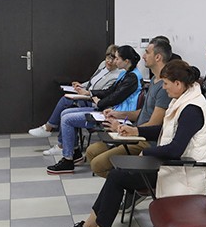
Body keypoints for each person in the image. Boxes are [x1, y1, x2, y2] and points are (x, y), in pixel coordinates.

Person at [59, 60, 206, 227]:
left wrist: (147, 152)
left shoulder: (192, 108)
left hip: (184, 173)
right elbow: (166, 130)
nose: (164, 88)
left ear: (178, 84)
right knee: (117, 175)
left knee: (117, 177)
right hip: (171, 167)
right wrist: (136, 130)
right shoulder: (184, 99)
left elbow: (175, 149)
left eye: (166, 83)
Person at [45, 45, 142, 174]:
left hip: (118, 116)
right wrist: (90, 94)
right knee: (64, 113)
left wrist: (99, 103)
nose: (115, 61)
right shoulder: (125, 74)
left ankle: (68, 160)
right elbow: (110, 91)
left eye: (117, 58)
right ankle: (75, 153)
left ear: (126, 61)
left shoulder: (132, 78)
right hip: (109, 110)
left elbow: (115, 98)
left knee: (68, 119)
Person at [85, 37, 173, 178]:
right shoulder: (153, 80)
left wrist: (130, 131)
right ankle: (124, 182)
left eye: (147, 52)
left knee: (98, 165)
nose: (143, 56)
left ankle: (129, 184)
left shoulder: (164, 87)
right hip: (136, 132)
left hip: (145, 141)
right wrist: (118, 115)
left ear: (158, 57)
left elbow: (154, 124)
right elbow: (142, 112)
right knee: (91, 151)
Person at [28, 45, 122, 137]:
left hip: (95, 101)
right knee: (66, 108)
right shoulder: (103, 65)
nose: (109, 61)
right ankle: (62, 144)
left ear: (118, 60)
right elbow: (92, 81)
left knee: (66, 100)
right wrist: (81, 85)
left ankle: (48, 128)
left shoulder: (116, 76)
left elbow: (104, 93)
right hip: (86, 94)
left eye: (113, 59)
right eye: (107, 58)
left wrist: (87, 92)